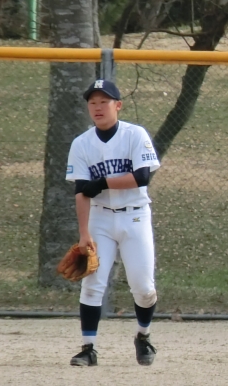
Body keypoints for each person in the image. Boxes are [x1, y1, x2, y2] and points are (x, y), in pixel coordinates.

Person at [65, 79, 161, 367]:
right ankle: (88, 348)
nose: (97, 107)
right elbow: (81, 191)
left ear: (117, 105)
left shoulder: (135, 135)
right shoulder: (81, 143)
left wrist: (103, 182)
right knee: (92, 283)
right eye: (92, 102)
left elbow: (142, 177)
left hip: (135, 215)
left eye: (103, 101)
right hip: (100, 217)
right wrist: (84, 233)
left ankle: (143, 336)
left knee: (143, 287)